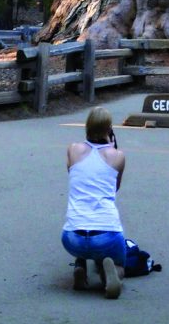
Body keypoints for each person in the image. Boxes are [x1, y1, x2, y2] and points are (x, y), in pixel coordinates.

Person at [61, 106, 127, 298]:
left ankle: (80, 265)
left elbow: (75, 178)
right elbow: (114, 188)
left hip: (71, 237)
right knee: (121, 264)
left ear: (87, 126)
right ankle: (111, 273)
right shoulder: (118, 156)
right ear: (109, 129)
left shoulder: (73, 150)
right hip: (107, 234)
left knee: (81, 215)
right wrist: (111, 144)